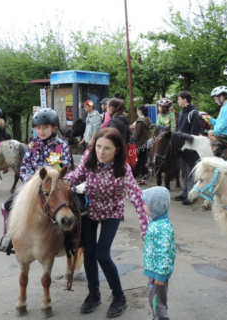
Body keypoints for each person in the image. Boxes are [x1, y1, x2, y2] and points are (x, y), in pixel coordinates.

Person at [64, 128, 149, 318]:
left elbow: (136, 195)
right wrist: (59, 182)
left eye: (107, 148)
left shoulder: (123, 168)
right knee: (89, 253)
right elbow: (74, 176)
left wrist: (146, 224)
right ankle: (94, 293)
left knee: (102, 254)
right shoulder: (89, 159)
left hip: (112, 211)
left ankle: (119, 297)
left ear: (117, 150)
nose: (101, 152)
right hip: (90, 210)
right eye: (99, 147)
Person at [0, 108, 72, 253]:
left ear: (54, 127)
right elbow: (25, 168)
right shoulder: (32, 146)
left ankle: (73, 238)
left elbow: (66, 166)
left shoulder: (61, 145)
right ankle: (9, 237)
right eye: (38, 128)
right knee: (5, 206)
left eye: (45, 127)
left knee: (76, 205)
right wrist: (31, 182)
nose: (41, 131)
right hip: (33, 186)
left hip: (55, 186)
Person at [142, 186, 176, 320]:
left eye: (145, 204)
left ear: (154, 206)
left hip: (158, 274)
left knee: (157, 302)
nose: (143, 206)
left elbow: (164, 253)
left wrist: (160, 275)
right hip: (155, 271)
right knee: (155, 300)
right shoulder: (157, 222)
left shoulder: (162, 227)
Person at [174, 90, 201, 205]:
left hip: (190, 149)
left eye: (179, 99)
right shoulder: (181, 112)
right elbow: (177, 130)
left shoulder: (194, 113)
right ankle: (185, 193)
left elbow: (195, 133)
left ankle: (191, 196)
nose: (177, 101)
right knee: (184, 171)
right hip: (181, 148)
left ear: (185, 99)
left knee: (190, 173)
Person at [205, 86, 227, 158]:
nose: (215, 101)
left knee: (215, 152)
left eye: (216, 99)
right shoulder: (224, 107)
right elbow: (219, 122)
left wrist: (214, 131)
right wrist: (211, 120)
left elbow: (224, 124)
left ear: (221, 97)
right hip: (221, 133)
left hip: (225, 135)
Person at [132, 105, 152, 179]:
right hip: (145, 141)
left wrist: (132, 141)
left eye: (137, 110)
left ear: (140, 111)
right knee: (143, 158)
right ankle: (145, 173)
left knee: (138, 159)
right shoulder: (147, 120)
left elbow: (136, 133)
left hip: (139, 143)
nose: (137, 112)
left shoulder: (140, 121)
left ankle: (141, 173)